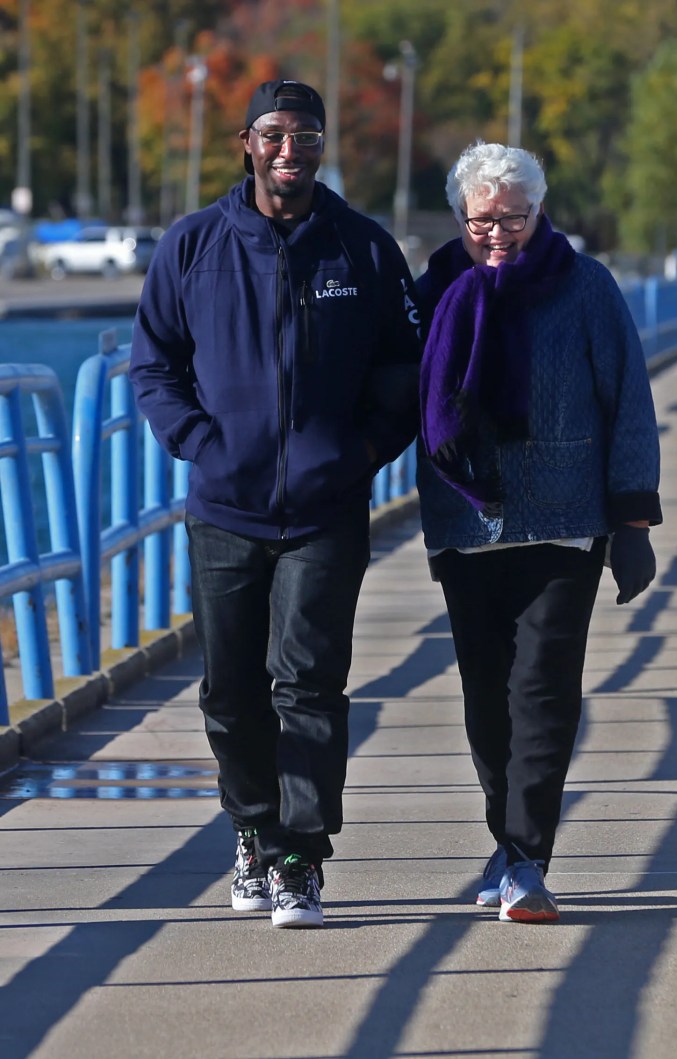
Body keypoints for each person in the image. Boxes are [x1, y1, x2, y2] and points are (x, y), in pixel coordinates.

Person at [129, 79, 421, 928]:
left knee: (311, 685)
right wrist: (200, 443)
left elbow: (406, 370)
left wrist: (362, 451)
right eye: (276, 134)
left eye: (308, 136)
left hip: (327, 510)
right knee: (229, 691)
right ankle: (252, 833)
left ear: (324, 147)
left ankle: (299, 856)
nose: (292, 149)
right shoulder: (192, 248)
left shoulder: (363, 250)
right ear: (247, 143)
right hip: (225, 507)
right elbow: (155, 365)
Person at [416, 142, 661, 923]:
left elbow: (629, 401)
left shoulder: (585, 287)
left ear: (538, 212)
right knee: (486, 696)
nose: (497, 234)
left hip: (564, 522)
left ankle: (528, 857)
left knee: (543, 691)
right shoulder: (436, 287)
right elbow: (397, 388)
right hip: (466, 521)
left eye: (513, 218)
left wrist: (632, 520)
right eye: (482, 219)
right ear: (460, 217)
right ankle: (506, 836)